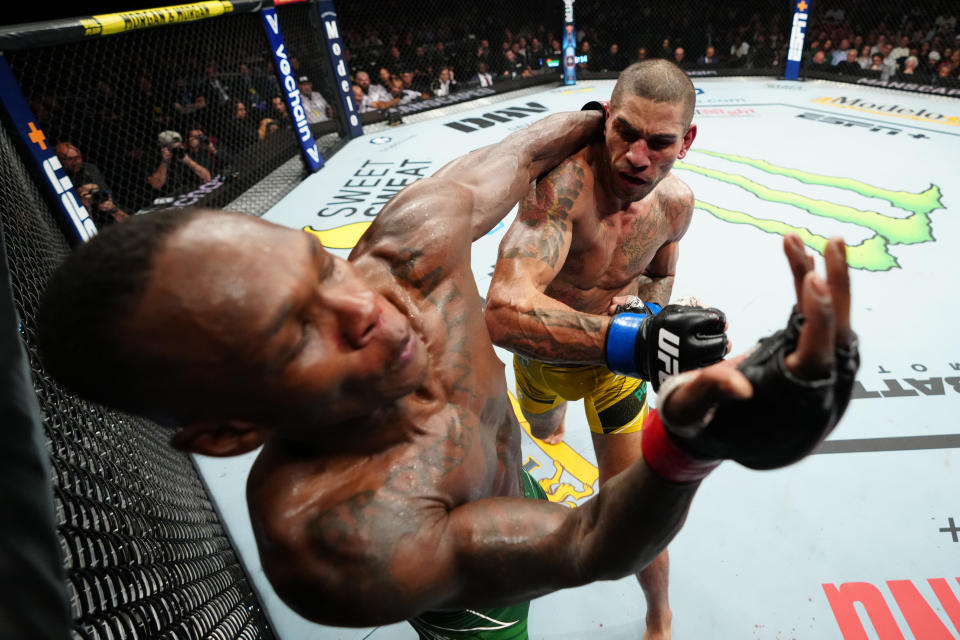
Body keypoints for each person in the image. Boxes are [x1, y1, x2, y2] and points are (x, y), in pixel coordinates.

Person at [36, 106, 858, 638]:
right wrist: (686, 446)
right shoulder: (341, 542)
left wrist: (600, 123)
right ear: (230, 432)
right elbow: (584, 540)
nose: (361, 306)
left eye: (319, 267)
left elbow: (512, 151)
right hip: (467, 589)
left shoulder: (410, 250)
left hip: (506, 473)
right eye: (296, 336)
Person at [485, 59, 718, 640]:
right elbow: (505, 308)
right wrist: (633, 339)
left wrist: (649, 309)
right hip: (543, 360)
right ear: (605, 120)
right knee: (542, 430)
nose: (638, 157)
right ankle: (553, 422)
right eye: (625, 133)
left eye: (659, 142)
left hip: (614, 377)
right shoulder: (563, 191)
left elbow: (661, 271)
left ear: (686, 142)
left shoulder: (675, 206)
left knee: (634, 516)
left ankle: (659, 615)